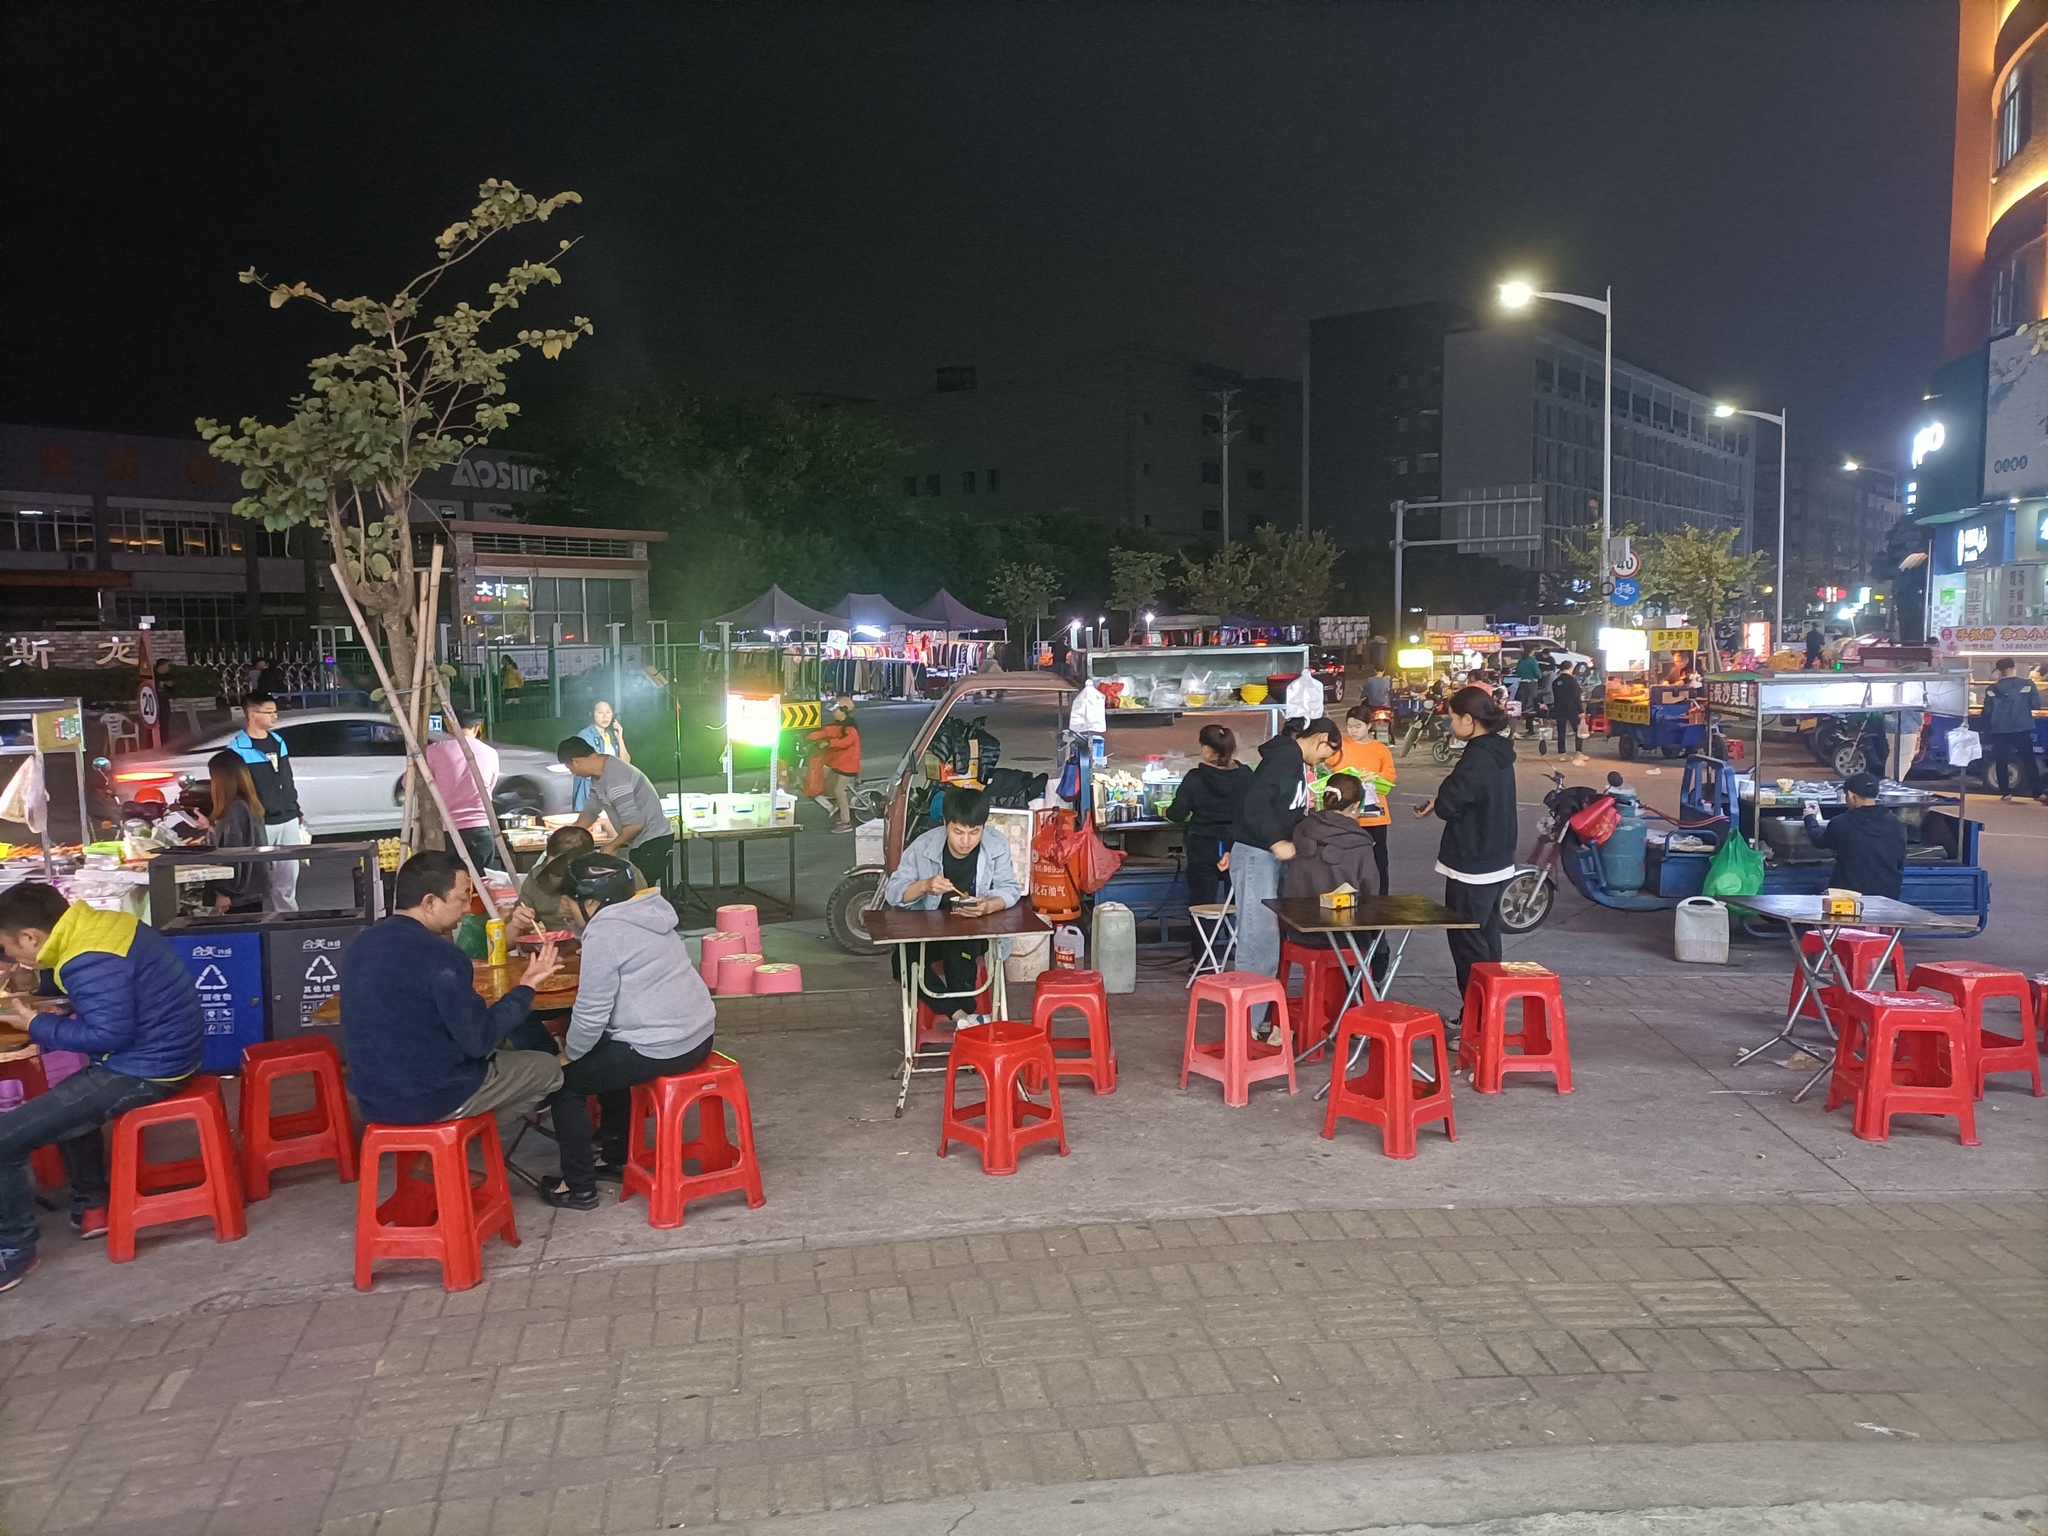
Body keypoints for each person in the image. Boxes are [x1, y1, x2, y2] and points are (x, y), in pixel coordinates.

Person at [0, 882, 205, 1289]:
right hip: (164, 1052)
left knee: (5, 1139)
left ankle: (14, 1249)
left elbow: (107, 1036)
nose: (10, 959)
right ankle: (91, 1207)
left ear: (30, 937)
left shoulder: (87, 956)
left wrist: (37, 1024)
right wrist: (57, 1004)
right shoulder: (100, 926)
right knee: (67, 1097)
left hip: (149, 1068)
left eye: (8, 949)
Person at [533, 852, 717, 1210]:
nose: (562, 909)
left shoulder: (606, 931)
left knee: (563, 1082)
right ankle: (613, 1157)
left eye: (567, 901)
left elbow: (591, 1010)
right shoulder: (643, 914)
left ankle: (579, 1186)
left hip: (663, 1045)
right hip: (697, 1034)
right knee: (603, 1052)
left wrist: (567, 1054)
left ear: (590, 901)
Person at [340, 850, 563, 1128]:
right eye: (461, 898)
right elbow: (479, 1041)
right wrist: (527, 986)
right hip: (432, 1097)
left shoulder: (361, 944)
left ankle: (454, 1140)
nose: (467, 909)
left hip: (374, 1100)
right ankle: (471, 1134)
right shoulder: (441, 955)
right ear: (430, 902)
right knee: (548, 1068)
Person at [1227, 716, 1342, 1035]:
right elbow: (1256, 805)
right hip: (1257, 855)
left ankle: (1258, 1020)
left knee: (1267, 940)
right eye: (1327, 752)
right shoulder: (1285, 758)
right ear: (1320, 737)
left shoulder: (1293, 761)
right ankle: (1247, 1026)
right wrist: (1276, 841)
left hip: (1266, 856)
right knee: (1257, 941)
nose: (1324, 760)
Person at [1413, 686, 1518, 1023]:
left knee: (1467, 944)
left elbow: (1452, 802)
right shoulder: (1498, 751)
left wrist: (1441, 800)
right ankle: (1487, 1013)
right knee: (1486, 940)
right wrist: (1442, 798)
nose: (1450, 725)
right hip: (1496, 859)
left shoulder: (1477, 755)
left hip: (1471, 863)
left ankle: (1477, 1019)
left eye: (1453, 718)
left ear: (1469, 720)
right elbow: (1469, 794)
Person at [883, 785, 1023, 1021]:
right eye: (958, 832)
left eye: (974, 832)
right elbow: (894, 892)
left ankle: (965, 1017)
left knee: (958, 952)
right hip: (928, 933)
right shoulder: (923, 846)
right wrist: (925, 885)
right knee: (902, 961)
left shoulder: (995, 845)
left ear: (983, 827)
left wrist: (988, 905)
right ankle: (961, 1016)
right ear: (945, 824)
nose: (966, 841)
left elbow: (1010, 888)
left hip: (973, 933)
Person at [560, 737, 674, 892]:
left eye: (569, 767)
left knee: (638, 895)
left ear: (577, 761)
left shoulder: (616, 778)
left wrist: (612, 845)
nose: (572, 772)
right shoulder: (598, 775)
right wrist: (570, 835)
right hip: (642, 843)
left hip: (654, 842)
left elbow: (635, 824)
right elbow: (591, 810)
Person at [228, 693, 309, 912]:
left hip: (288, 818)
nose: (275, 716)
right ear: (252, 714)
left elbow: (286, 779)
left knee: (288, 877)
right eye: (269, 712)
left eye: (275, 712)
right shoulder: (237, 749)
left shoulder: (278, 741)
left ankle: (288, 921)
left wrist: (296, 808)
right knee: (257, 877)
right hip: (260, 822)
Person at [1163, 723, 1252, 913]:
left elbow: (1177, 815)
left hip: (1203, 846)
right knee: (1238, 905)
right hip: (1236, 845)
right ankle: (1235, 941)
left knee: (1202, 904)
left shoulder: (1195, 778)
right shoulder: (1246, 775)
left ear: (1207, 749)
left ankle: (1204, 942)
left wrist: (1166, 812)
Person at [1801, 771, 1908, 899]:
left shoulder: (1842, 823)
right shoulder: (1896, 823)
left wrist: (1810, 817)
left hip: (1850, 897)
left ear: (1851, 795)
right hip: (1888, 896)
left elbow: (1819, 840)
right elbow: (1900, 861)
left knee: (1819, 887)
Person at [424, 708, 501, 877]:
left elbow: (411, 781)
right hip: (481, 829)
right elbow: (490, 786)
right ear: (477, 728)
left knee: (455, 883)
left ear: (450, 727)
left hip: (450, 831)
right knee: (483, 883)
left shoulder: (435, 750)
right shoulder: (491, 753)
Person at [1329, 704, 1396, 895]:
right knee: (1346, 860)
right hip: (1345, 815)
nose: (1352, 730)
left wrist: (1374, 777)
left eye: (1357, 726)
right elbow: (1326, 763)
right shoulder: (1341, 747)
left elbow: (1390, 776)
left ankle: (1381, 898)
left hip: (1375, 816)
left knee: (1378, 860)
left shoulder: (1380, 750)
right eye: (1349, 726)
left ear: (1369, 725)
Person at [202, 749, 268, 915]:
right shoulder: (249, 805)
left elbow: (232, 855)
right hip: (250, 892)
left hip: (236, 896)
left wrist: (225, 893)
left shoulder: (235, 810)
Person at [1984, 657, 2046, 804]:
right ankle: (2037, 793)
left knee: (2001, 760)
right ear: (2014, 668)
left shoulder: (1991, 689)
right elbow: (2036, 705)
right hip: (2022, 727)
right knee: (2028, 760)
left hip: (1999, 729)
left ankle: (2006, 793)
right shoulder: (2027, 685)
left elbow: (1987, 711)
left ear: (1999, 671)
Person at [807, 695, 862, 833]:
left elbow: (846, 742)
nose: (833, 712)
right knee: (828, 787)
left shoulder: (850, 727)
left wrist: (829, 743)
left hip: (847, 766)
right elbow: (825, 732)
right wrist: (806, 736)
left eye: (836, 710)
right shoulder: (838, 725)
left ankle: (846, 821)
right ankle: (839, 808)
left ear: (844, 710)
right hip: (838, 764)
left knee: (839, 791)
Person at [570, 700, 629, 812]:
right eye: (600, 712)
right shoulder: (585, 736)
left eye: (609, 712)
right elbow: (593, 767)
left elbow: (625, 763)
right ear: (592, 714)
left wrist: (620, 738)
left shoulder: (609, 735)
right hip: (591, 794)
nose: (605, 716)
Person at [1551, 663, 1587, 762]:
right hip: (1572, 709)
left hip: (1559, 709)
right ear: (1570, 668)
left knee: (1561, 732)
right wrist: (1580, 710)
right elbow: (1577, 697)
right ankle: (1578, 752)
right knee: (1578, 730)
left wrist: (1553, 713)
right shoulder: (1573, 681)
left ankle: (1562, 754)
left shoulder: (1555, 682)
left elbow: (1555, 698)